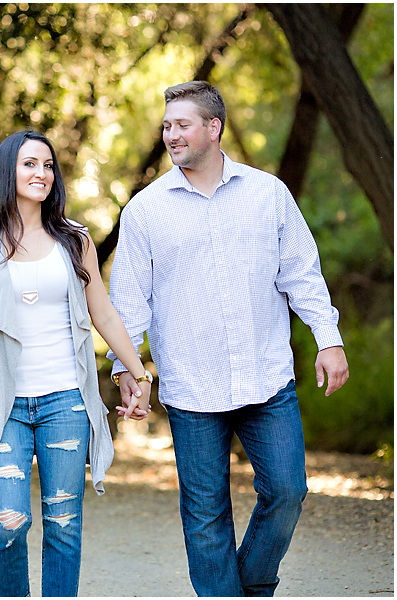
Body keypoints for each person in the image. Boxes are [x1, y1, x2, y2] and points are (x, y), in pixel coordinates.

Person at [108, 81, 349, 596]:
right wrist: (127, 369)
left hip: (266, 378)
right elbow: (128, 302)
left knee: (287, 490)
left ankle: (250, 587)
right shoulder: (144, 212)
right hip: (192, 386)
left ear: (213, 128)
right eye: (167, 125)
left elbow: (302, 274)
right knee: (205, 515)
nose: (171, 134)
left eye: (182, 124)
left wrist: (328, 339)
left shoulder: (268, 194)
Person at [0, 130, 153, 597]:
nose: (41, 173)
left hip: (66, 403)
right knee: (7, 524)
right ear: (6, 172)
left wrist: (139, 374)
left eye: (48, 166)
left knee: (63, 528)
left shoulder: (73, 240)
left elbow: (103, 313)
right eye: (29, 164)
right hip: (5, 407)